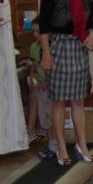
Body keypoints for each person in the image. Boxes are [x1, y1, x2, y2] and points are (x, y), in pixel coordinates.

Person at [39, 0, 93, 166]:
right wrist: (46, 53)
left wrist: (91, 36)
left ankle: (82, 145)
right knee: (59, 101)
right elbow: (44, 27)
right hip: (59, 48)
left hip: (78, 50)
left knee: (78, 101)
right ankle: (61, 146)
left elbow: (90, 24)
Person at [29, 17, 57, 159]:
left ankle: (54, 146)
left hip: (51, 88)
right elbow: (34, 65)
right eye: (33, 31)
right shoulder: (34, 47)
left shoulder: (52, 47)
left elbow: (53, 70)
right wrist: (32, 75)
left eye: (38, 31)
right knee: (45, 119)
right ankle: (51, 144)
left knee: (52, 117)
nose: (35, 34)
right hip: (40, 87)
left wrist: (45, 83)